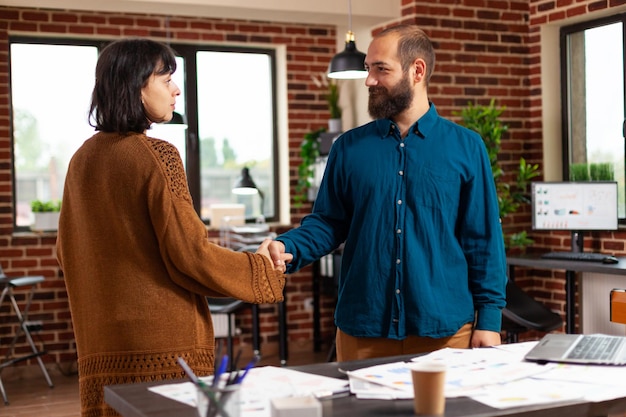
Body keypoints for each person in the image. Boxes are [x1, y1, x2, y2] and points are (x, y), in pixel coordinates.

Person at [56, 38, 285, 417]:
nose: (176, 89)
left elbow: (66, 252)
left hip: (101, 345)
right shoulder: (157, 154)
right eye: (166, 80)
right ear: (136, 85)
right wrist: (260, 270)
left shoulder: (81, 159)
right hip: (163, 344)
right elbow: (189, 253)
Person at [269, 24, 507, 361]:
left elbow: (483, 239)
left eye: (381, 69)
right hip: (363, 329)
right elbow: (328, 223)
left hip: (447, 332)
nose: (369, 81)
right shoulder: (348, 148)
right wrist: (287, 246)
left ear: (417, 71)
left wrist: (490, 320)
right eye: (368, 69)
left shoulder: (466, 147)